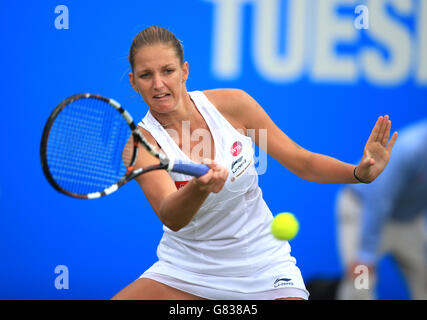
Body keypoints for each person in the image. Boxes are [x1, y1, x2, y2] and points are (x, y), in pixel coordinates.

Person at [111, 26, 398, 300]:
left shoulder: (234, 104)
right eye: (146, 75)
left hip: (263, 263)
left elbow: (302, 161)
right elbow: (171, 216)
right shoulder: (140, 146)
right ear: (133, 82)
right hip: (186, 270)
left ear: (184, 71)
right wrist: (200, 187)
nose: (158, 84)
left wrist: (359, 173)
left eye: (168, 71)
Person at [335, 119, 427, 300]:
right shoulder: (410, 149)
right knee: (360, 286)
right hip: (362, 211)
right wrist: (365, 254)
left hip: (409, 220)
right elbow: (379, 199)